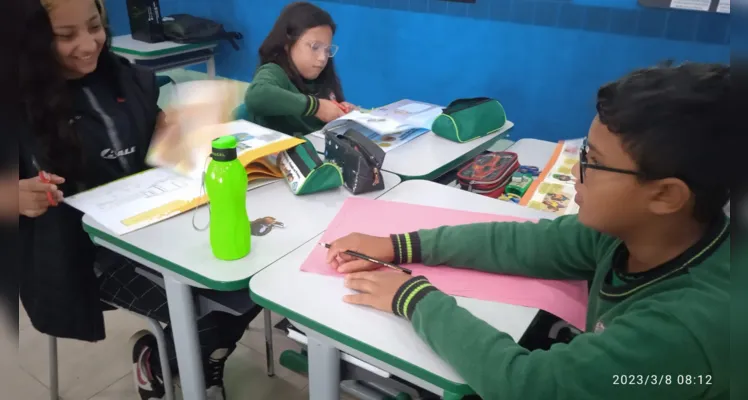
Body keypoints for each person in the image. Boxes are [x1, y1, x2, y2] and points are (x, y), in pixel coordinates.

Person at [326, 62, 730, 399]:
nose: (576, 170)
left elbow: (530, 387)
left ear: (664, 196)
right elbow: (528, 243)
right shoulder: (635, 232)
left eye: (593, 161)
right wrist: (400, 245)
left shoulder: (684, 327)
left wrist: (413, 297)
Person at [17, 1, 257, 399]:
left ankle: (188, 360)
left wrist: (176, 132)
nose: (88, 44)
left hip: (158, 226)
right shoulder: (15, 104)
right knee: (206, 308)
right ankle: (168, 360)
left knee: (246, 283)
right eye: (65, 36)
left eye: (95, 27)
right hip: (83, 254)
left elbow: (154, 148)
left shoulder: (125, 79)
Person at [244, 2, 354, 137]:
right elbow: (256, 95)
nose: (322, 58)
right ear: (287, 43)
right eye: (315, 47)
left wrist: (340, 111)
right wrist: (316, 107)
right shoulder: (274, 71)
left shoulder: (321, 77)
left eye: (327, 49)